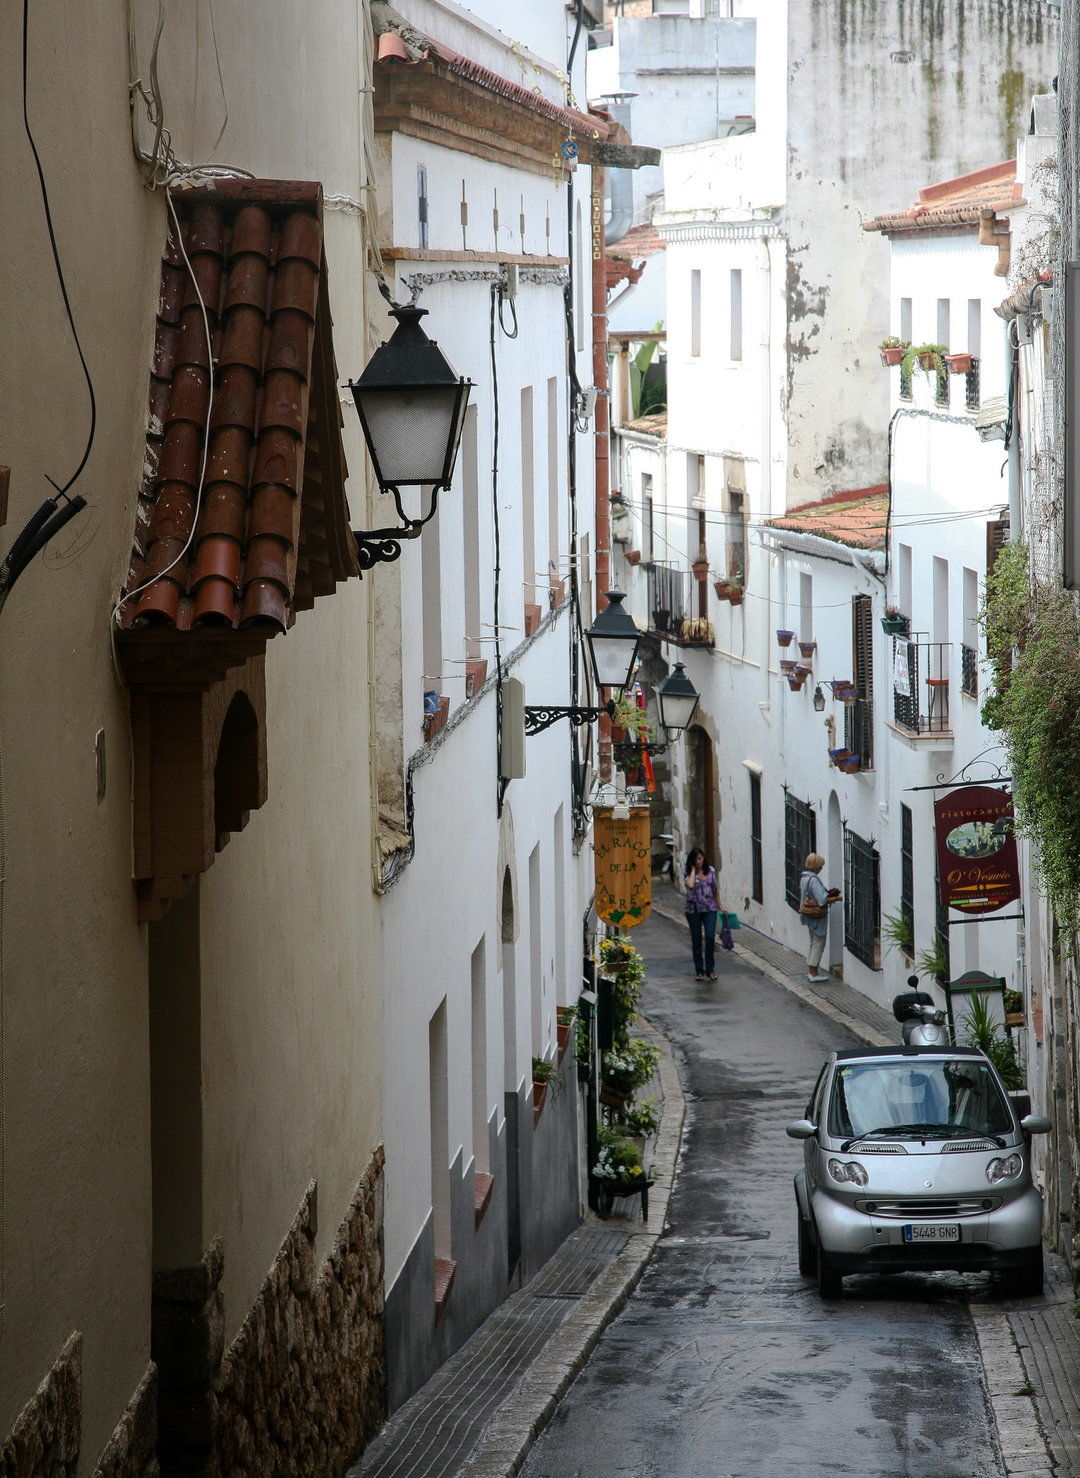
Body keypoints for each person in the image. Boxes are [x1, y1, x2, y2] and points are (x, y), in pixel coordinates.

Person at [799, 852, 841, 983]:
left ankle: (811, 971)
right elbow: (822, 900)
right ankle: (814, 973)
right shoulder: (814, 881)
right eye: (820, 866)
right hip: (817, 916)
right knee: (819, 943)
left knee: (813, 942)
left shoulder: (804, 879)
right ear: (816, 866)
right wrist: (837, 898)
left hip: (808, 915)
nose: (821, 868)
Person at [683, 847, 722, 981]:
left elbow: (715, 889)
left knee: (710, 937)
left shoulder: (710, 871)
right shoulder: (688, 872)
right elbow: (690, 885)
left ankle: (710, 970)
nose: (699, 861)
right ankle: (699, 971)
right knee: (697, 939)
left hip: (710, 909)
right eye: (696, 859)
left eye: (700, 858)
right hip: (693, 910)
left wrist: (719, 905)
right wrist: (693, 870)